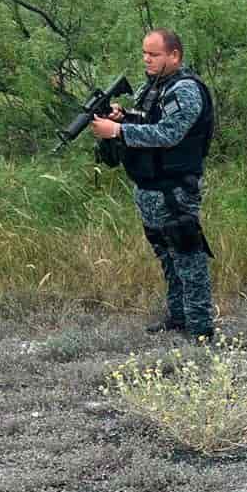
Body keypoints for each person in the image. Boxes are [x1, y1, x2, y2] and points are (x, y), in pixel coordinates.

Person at [91, 29, 218, 341]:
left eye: (154, 54)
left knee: (188, 258)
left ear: (174, 55)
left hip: (175, 190)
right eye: (145, 53)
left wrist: (118, 132)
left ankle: (201, 329)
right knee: (167, 259)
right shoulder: (154, 87)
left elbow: (169, 133)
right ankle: (178, 317)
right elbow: (149, 120)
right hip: (149, 188)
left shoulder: (186, 89)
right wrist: (125, 117)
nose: (147, 59)